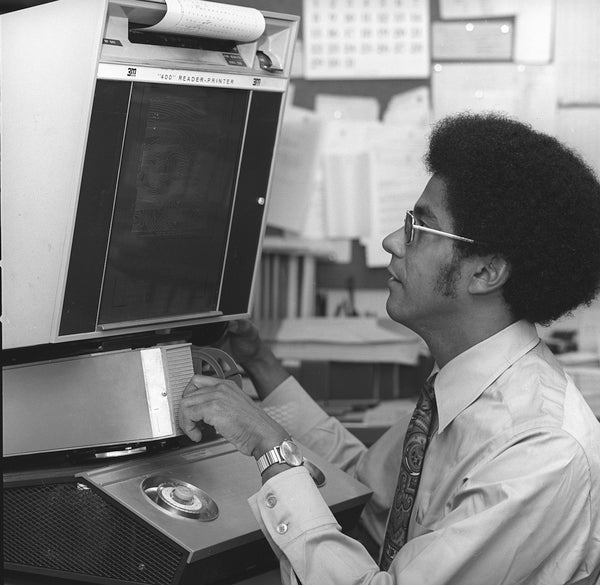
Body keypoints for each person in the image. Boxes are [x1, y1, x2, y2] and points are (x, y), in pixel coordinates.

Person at [179, 112, 600, 584]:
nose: (392, 241)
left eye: (420, 228)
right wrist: (259, 362)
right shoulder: (463, 388)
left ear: (484, 273)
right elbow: (365, 486)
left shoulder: (538, 451)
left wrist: (271, 450)